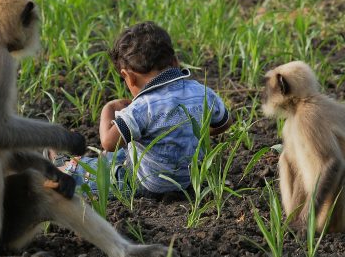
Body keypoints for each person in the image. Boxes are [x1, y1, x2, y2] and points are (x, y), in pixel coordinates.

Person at [52, 22, 232, 196]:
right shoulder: (202, 92)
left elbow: (108, 143)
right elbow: (225, 122)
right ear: (175, 62)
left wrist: (109, 108)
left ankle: (64, 169)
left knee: (101, 173)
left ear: (128, 77)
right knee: (131, 147)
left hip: (150, 183)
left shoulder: (142, 107)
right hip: (193, 178)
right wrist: (190, 133)